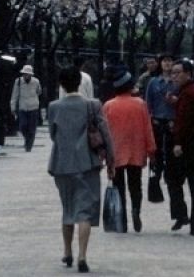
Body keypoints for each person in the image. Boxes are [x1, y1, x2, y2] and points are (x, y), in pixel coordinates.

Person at [47, 65, 114, 274]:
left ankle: (67, 252)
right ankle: (82, 256)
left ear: (61, 84)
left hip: (61, 164)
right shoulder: (93, 105)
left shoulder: (54, 107)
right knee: (84, 211)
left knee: (68, 209)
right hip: (87, 164)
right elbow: (106, 134)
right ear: (81, 82)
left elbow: (53, 134)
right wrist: (111, 160)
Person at [103, 69, 156, 232]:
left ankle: (122, 220)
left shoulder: (108, 106)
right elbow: (148, 129)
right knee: (135, 185)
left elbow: (104, 132)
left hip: (116, 152)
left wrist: (104, 154)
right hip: (136, 151)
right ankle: (136, 210)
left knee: (118, 187)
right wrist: (151, 150)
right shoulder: (140, 104)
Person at [167, 58, 194, 237]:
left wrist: (177, 142)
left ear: (188, 73)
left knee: (173, 178)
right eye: (173, 73)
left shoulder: (188, 93)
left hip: (188, 145)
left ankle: (182, 214)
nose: (174, 76)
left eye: (178, 72)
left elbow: (183, 121)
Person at [145, 53, 176, 204]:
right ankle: (154, 182)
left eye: (170, 61)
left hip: (172, 122)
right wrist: (150, 120)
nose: (167, 64)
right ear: (160, 64)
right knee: (155, 154)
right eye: (164, 61)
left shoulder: (177, 82)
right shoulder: (153, 82)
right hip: (157, 122)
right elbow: (148, 103)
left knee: (171, 154)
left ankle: (170, 178)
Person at [10, 64, 42, 152]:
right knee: (22, 126)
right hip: (22, 107)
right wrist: (13, 107)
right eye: (25, 74)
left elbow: (39, 91)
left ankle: (29, 146)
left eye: (28, 74)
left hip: (33, 107)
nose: (26, 76)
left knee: (32, 128)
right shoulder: (18, 81)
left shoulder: (36, 81)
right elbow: (14, 95)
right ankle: (27, 138)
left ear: (31, 75)